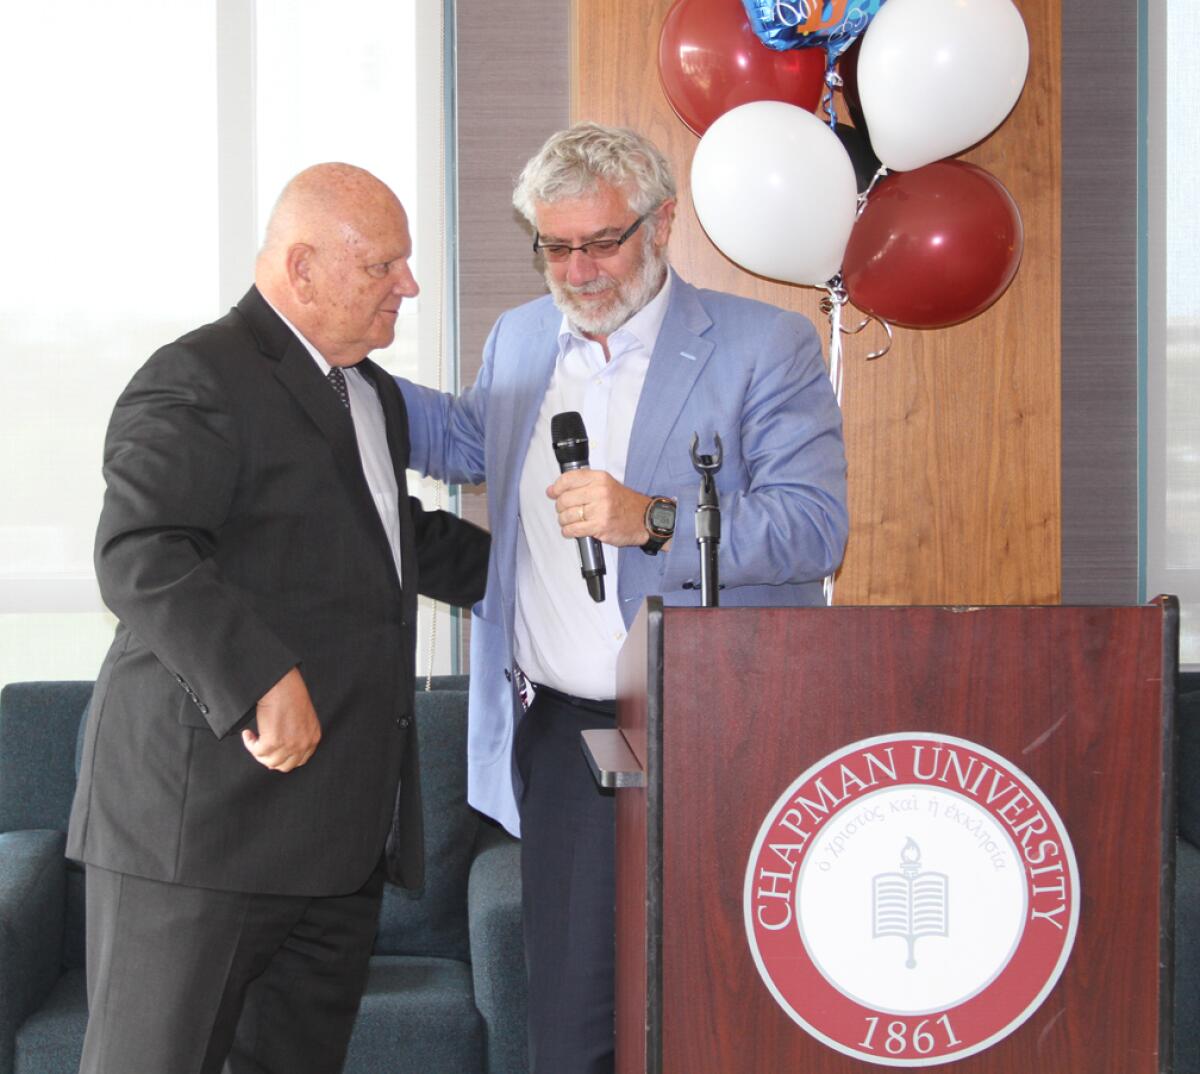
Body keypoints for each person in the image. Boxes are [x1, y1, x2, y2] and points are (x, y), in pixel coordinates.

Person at [397, 123, 849, 1074]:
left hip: (730, 725)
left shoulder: (764, 345)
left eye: (601, 241)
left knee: (729, 1008)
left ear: (662, 225)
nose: (579, 268)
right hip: (567, 738)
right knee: (575, 1027)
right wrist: (339, 366)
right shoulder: (523, 336)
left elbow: (813, 528)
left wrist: (652, 519)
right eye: (555, 246)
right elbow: (465, 441)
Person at [66, 163, 490, 1074]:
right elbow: (143, 551)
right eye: (384, 265)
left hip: (336, 846)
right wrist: (259, 676)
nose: (407, 285)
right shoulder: (196, 375)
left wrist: (542, 581)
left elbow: (384, 535)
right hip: (203, 834)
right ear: (302, 268)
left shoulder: (368, 392)